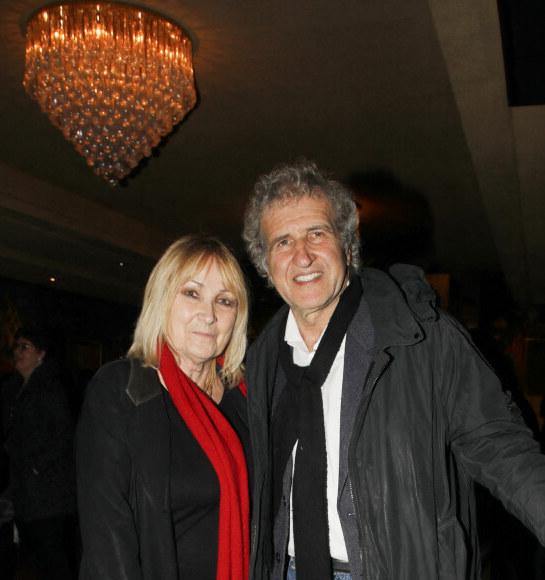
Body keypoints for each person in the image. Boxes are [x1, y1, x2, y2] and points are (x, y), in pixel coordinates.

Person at [242, 159, 545, 580]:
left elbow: (498, 442)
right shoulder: (259, 362)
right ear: (266, 265)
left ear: (346, 246)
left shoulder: (421, 335)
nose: (303, 255)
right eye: (283, 242)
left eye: (317, 233)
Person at [76, 234, 251, 580]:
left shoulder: (245, 397)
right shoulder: (120, 391)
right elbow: (108, 548)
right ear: (162, 299)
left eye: (225, 300)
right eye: (192, 293)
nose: (209, 314)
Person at [2, 327, 76, 580]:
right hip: (25, 489)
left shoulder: (48, 389)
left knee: (51, 556)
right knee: (37, 557)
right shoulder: (17, 389)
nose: (17, 352)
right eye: (16, 346)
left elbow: (65, 435)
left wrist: (37, 465)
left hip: (47, 492)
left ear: (41, 354)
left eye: (25, 347)